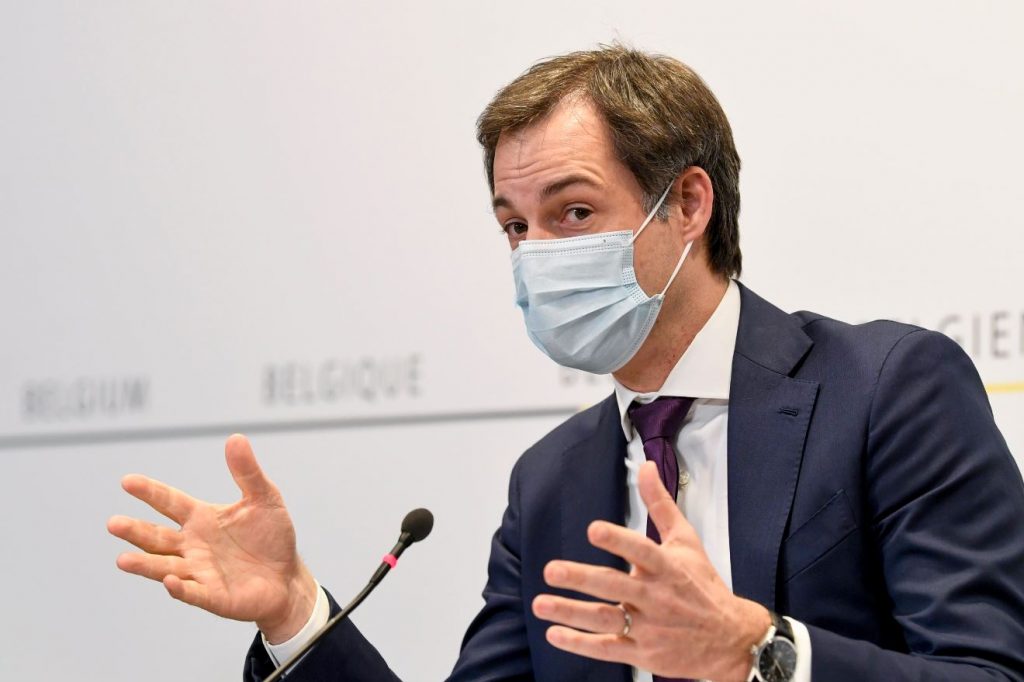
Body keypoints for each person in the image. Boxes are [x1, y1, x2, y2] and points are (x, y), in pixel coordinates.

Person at [108, 45, 1024, 681]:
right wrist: (294, 612)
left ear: (688, 204)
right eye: (514, 226)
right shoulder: (552, 481)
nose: (535, 254)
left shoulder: (887, 391)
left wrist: (760, 651)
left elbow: (991, 671)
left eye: (572, 213)